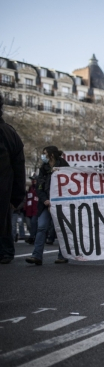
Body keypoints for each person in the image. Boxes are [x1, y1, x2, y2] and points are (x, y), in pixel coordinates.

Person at [26, 146, 70, 265]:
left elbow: (69, 186)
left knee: (61, 229)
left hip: (61, 204)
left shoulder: (64, 166)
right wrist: (45, 200)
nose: (43, 156)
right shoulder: (43, 168)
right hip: (46, 204)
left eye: (44, 153)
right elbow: (39, 186)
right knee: (41, 228)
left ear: (51, 154)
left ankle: (62, 255)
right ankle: (37, 256)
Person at [0, 95, 26, 265]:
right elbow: (19, 168)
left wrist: (16, 196)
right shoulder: (10, 133)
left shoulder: (7, 133)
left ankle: (6, 251)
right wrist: (16, 196)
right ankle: (5, 252)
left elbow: (18, 168)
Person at [25, 176, 39, 244]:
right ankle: (32, 236)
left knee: (33, 223)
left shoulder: (38, 189)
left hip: (35, 210)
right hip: (28, 210)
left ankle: (32, 237)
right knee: (29, 224)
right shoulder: (29, 189)